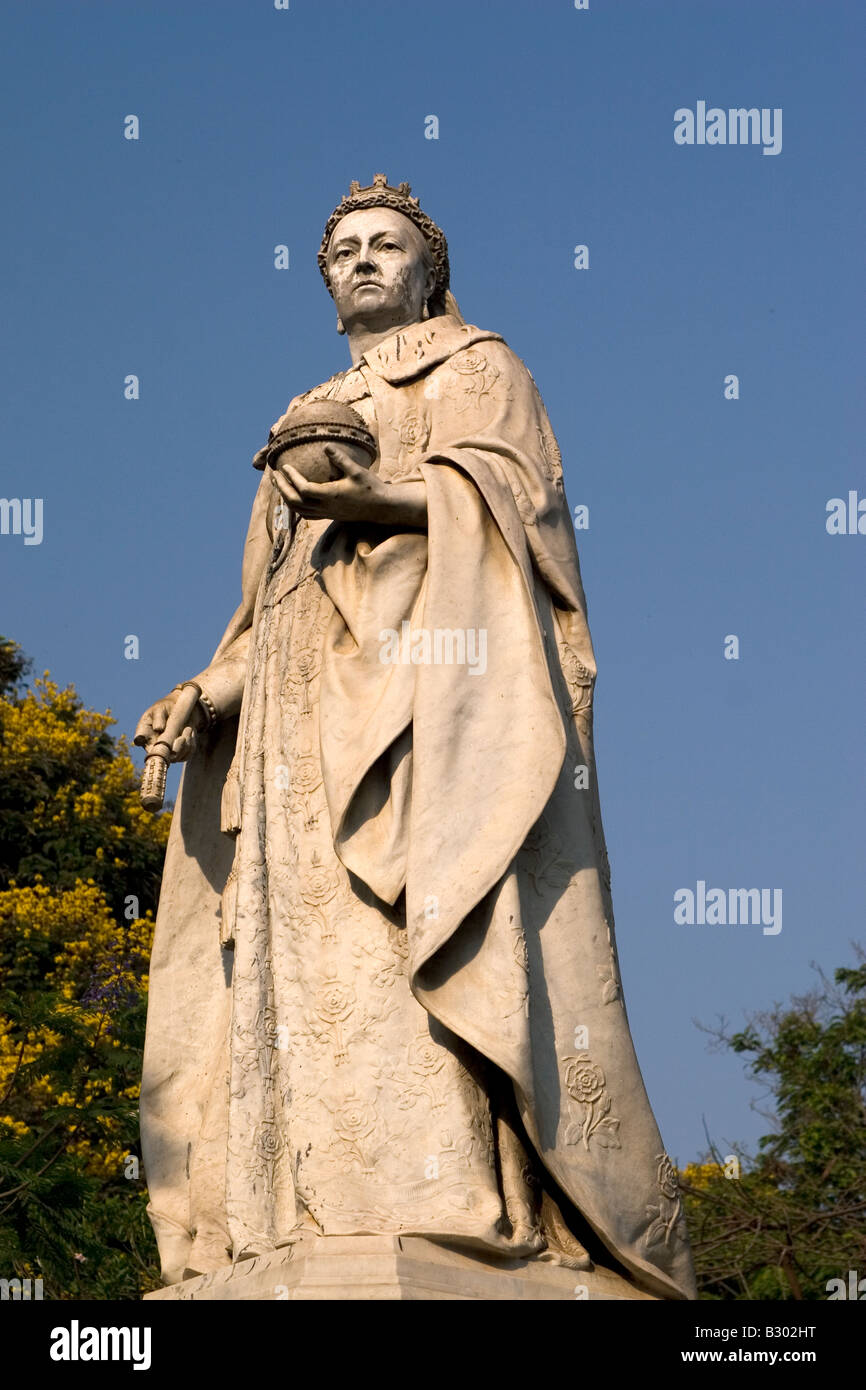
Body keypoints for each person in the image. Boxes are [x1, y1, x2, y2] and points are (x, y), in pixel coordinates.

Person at [135, 175, 696, 1299]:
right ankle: (301, 1212)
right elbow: (269, 605)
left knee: (423, 953)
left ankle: (448, 1206)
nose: (362, 261)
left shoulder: (480, 368)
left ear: (427, 266)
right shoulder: (298, 417)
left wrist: (371, 498)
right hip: (295, 743)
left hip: (427, 727)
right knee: (306, 979)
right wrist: (205, 690)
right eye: (341, 249)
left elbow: (510, 510)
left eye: (385, 245)